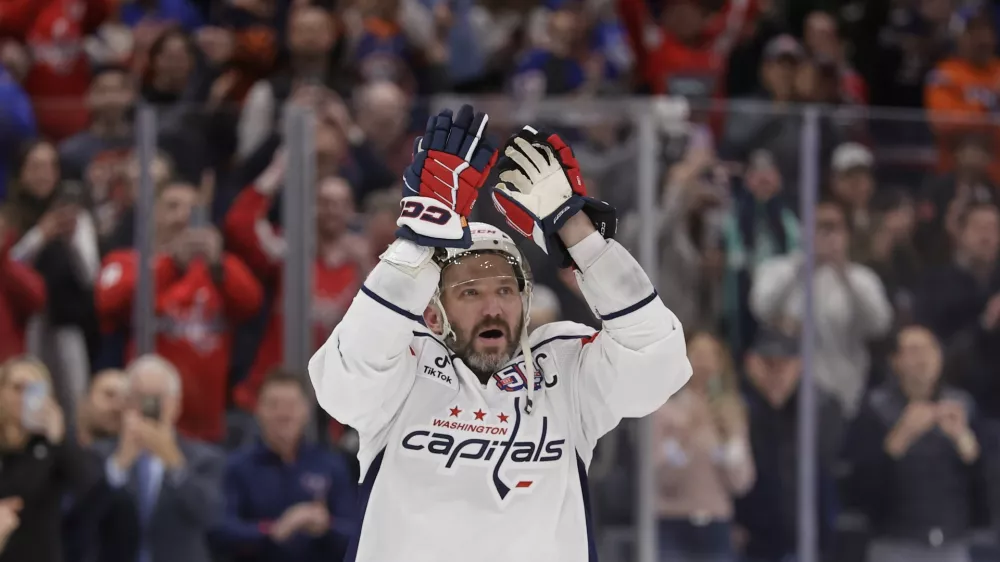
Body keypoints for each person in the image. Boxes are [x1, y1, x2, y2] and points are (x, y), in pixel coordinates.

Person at [308, 106, 693, 561]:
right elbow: (342, 382)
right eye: (470, 293)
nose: (493, 307)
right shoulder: (404, 363)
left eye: (506, 290)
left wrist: (579, 233)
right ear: (434, 311)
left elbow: (658, 362)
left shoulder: (563, 368)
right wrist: (416, 242)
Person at [212, 369, 356, 562]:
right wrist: (274, 530)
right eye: (273, 405)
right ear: (258, 410)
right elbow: (220, 530)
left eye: (291, 405)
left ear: (306, 410)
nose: (283, 414)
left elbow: (355, 533)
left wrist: (325, 525)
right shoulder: (237, 466)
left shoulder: (330, 465)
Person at [91, 354, 224, 562]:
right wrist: (120, 465)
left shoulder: (204, 458)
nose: (148, 407)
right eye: (140, 397)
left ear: (176, 405)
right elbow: (84, 517)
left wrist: (174, 463)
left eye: (157, 399)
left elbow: (211, 516)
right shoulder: (99, 455)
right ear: (127, 403)